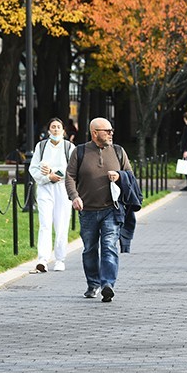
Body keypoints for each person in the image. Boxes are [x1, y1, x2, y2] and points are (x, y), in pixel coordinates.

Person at [65, 117, 132, 302]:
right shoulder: (80, 152)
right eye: (107, 131)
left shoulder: (118, 151)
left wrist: (119, 175)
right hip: (87, 210)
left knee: (109, 246)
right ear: (95, 133)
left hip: (111, 208)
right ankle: (93, 284)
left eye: (111, 130)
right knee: (90, 249)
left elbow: (130, 175)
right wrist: (74, 196)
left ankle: (107, 284)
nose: (111, 133)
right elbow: (70, 176)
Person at [28, 118, 74, 273]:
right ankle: (43, 259)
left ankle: (60, 259)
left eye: (58, 127)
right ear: (48, 130)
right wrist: (47, 177)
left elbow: (74, 169)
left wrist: (58, 175)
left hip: (62, 189)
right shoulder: (41, 146)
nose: (55, 130)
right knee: (45, 223)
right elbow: (33, 169)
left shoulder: (69, 147)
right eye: (53, 127)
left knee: (61, 224)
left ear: (63, 130)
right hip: (45, 188)